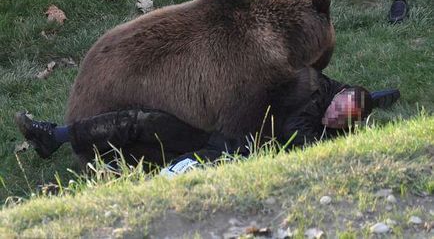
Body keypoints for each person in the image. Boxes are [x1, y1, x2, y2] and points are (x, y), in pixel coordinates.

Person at [15, 67, 400, 176]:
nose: (337, 116)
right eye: (341, 107)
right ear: (340, 94)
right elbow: (358, 96)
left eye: (344, 119)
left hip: (227, 149)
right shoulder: (322, 87)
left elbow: (295, 136)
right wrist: (376, 99)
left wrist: (355, 111)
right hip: (212, 125)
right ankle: (57, 135)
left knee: (177, 168)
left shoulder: (316, 134)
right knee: (140, 121)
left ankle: (114, 180)